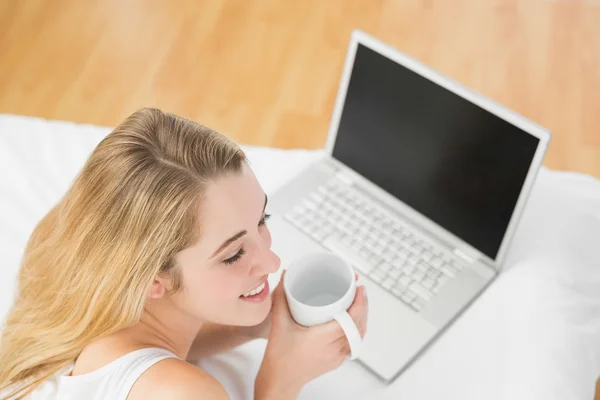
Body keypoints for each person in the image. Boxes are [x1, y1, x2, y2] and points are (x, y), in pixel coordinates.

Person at [0, 108, 368, 399]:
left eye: (262, 219)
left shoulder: (67, 260)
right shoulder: (182, 392)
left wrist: (255, 325)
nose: (272, 262)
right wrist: (281, 382)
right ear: (153, 279)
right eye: (234, 254)